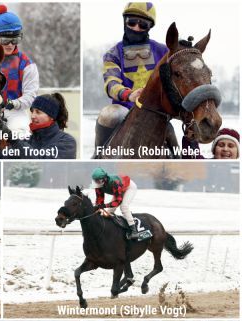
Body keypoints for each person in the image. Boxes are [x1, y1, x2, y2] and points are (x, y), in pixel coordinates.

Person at [96, 2, 169, 150]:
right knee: (107, 115)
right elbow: (111, 83)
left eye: (143, 24)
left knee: (172, 133)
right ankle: (98, 155)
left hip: (155, 113)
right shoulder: (113, 54)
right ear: (125, 22)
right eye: (132, 22)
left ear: (149, 27)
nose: (136, 28)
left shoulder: (163, 51)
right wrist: (129, 95)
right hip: (123, 111)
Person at [0, 4, 39, 138]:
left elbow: (30, 96)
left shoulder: (27, 65)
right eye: (5, 40)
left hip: (15, 113)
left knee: (22, 136)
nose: (10, 45)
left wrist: (14, 103)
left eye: (15, 39)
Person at [4, 93, 76, 158]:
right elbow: (2, 157)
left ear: (51, 116)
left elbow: (40, 160)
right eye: (32, 111)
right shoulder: (27, 141)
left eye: (38, 112)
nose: (32, 116)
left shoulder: (66, 142)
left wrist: (13, 139)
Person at [90, 167, 139, 240]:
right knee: (109, 212)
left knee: (123, 206)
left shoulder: (115, 183)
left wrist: (104, 205)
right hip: (118, 190)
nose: (96, 183)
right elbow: (100, 200)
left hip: (129, 187)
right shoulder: (98, 185)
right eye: (95, 181)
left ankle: (134, 230)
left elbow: (118, 202)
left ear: (104, 178)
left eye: (98, 181)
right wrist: (97, 208)